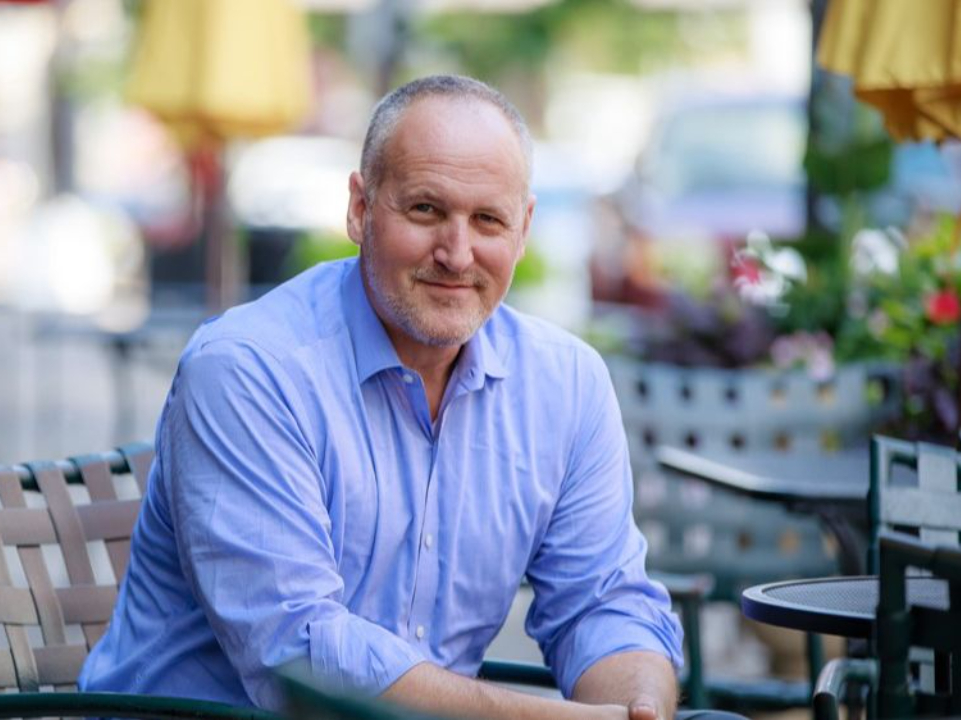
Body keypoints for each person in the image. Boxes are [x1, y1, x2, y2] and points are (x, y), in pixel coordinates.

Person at [81, 75, 688, 720]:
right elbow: (302, 656)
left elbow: (603, 604)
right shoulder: (247, 370)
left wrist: (638, 708)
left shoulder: (566, 385)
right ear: (360, 209)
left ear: (524, 226)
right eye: (426, 210)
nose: (457, 254)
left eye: (488, 219)